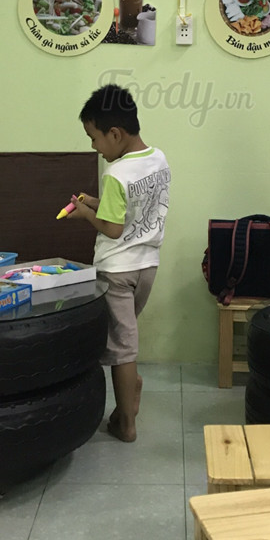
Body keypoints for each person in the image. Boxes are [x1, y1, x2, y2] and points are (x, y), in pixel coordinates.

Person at [67, 84, 170, 443]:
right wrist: (97, 202)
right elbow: (133, 209)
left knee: (122, 351)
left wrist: (84, 214)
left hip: (117, 271)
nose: (93, 147)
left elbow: (112, 229)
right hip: (147, 267)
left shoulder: (116, 173)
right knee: (124, 338)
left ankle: (126, 424)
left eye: (93, 138)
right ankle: (132, 386)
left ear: (115, 133)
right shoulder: (158, 159)